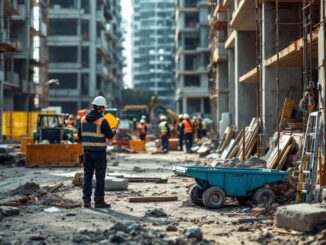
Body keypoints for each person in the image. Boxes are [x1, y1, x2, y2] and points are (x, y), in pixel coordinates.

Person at [78, 96, 117, 208]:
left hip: (87, 153)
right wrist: (114, 131)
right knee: (100, 178)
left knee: (87, 177)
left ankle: (86, 201)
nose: (104, 110)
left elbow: (80, 136)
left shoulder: (83, 119)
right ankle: (99, 201)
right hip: (99, 154)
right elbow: (110, 136)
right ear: (100, 108)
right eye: (103, 108)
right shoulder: (102, 121)